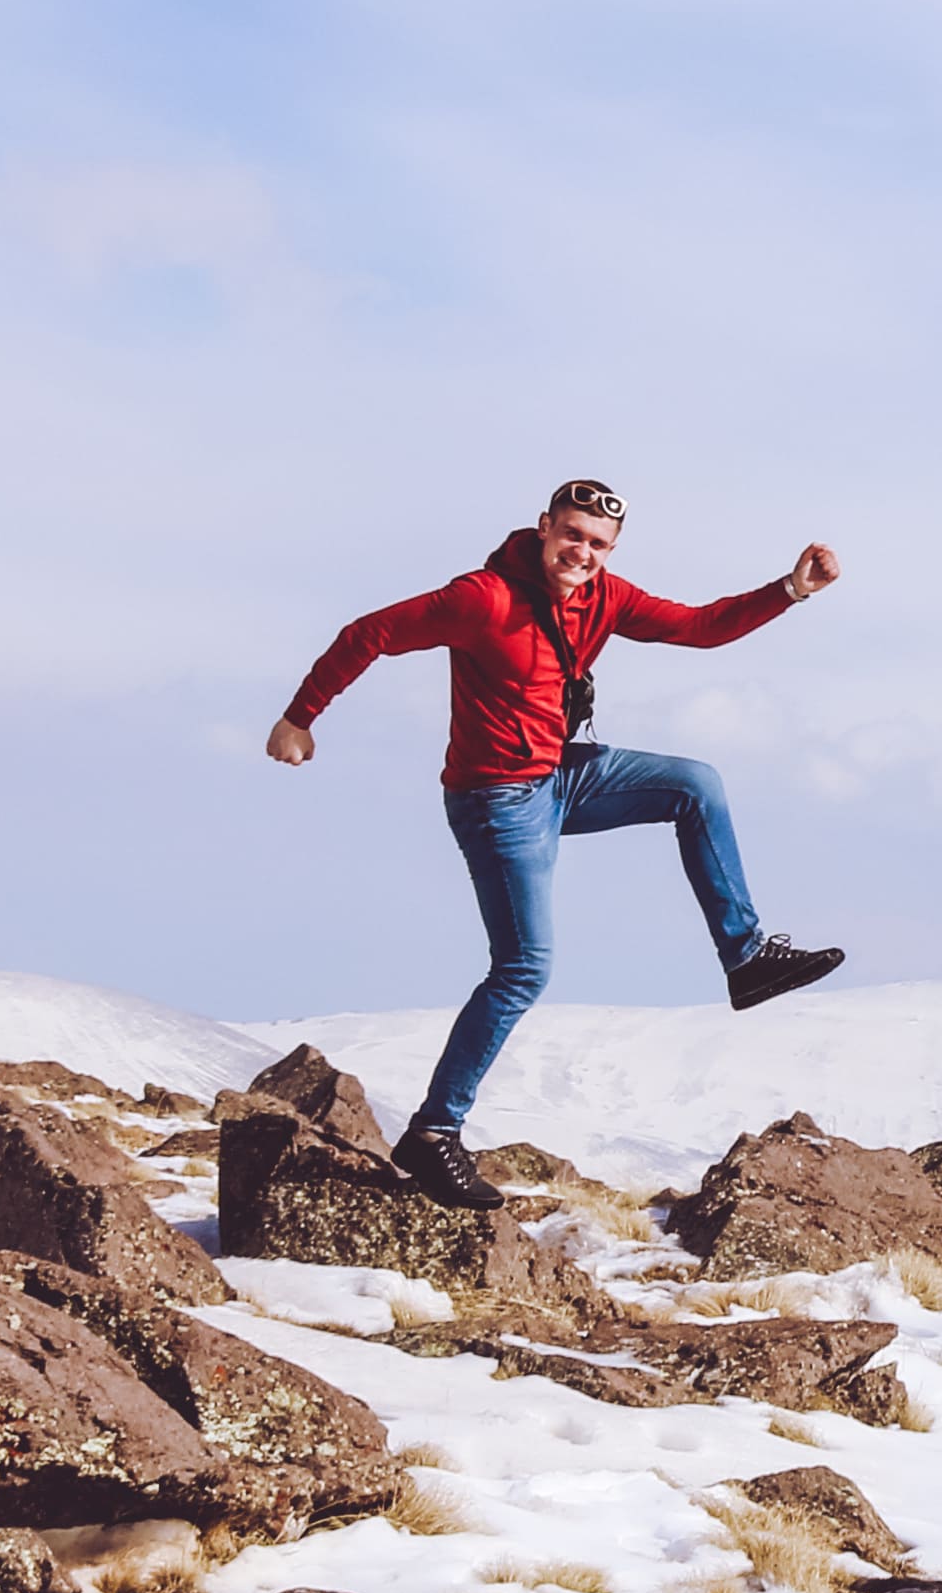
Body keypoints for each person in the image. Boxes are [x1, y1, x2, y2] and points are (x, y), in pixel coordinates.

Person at [265, 478, 843, 1209]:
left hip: (559, 778)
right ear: (544, 528)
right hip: (495, 801)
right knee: (523, 969)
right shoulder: (482, 598)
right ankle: (435, 1131)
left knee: (697, 784)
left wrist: (791, 588)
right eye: (572, 535)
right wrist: (299, 718)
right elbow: (368, 634)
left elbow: (697, 627)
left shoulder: (605, 595)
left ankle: (747, 957)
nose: (583, 552)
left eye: (598, 544)